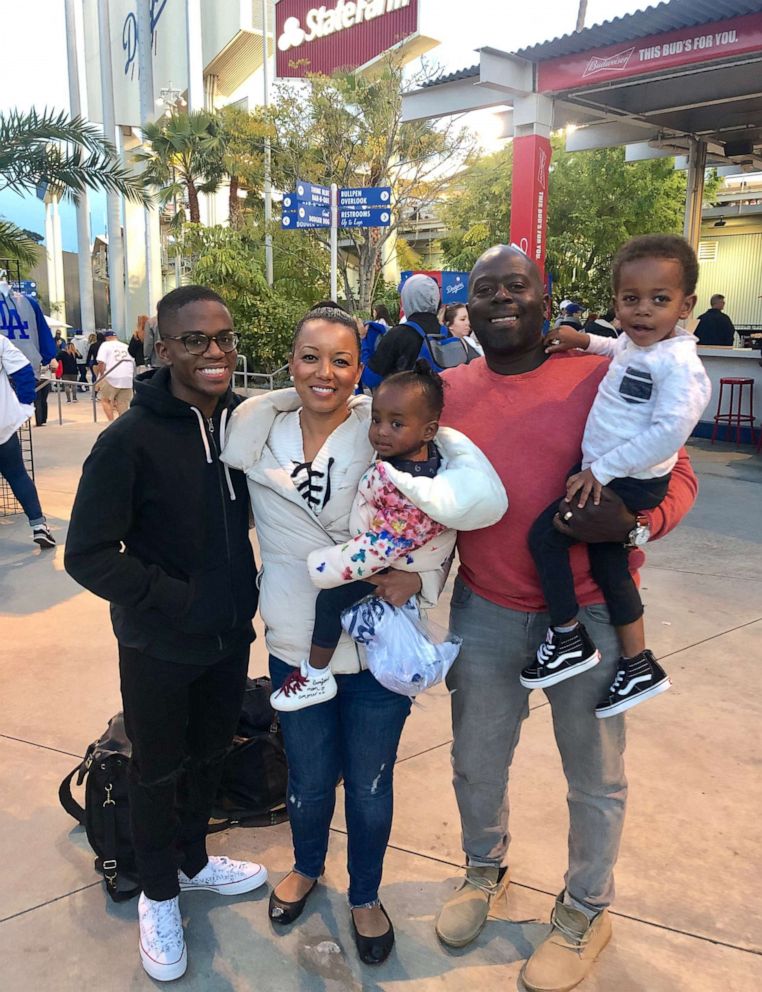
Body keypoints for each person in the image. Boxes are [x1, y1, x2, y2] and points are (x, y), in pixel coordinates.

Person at [435, 244, 698, 992]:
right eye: (485, 290)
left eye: (516, 285)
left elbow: (677, 470)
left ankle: (586, 907)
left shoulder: (606, 369)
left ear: (544, 297)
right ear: (470, 308)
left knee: (595, 776)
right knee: (475, 762)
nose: (501, 299)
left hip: (589, 614)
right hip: (485, 610)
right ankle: (484, 872)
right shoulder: (449, 391)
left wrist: (638, 528)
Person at [221, 306, 448, 965]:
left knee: (372, 782)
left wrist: (421, 576)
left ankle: (367, 893)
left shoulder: (382, 427)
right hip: (297, 633)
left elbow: (445, 508)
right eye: (310, 356)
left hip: (380, 635)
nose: (325, 372)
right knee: (310, 774)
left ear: (361, 369)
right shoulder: (262, 430)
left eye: (341, 359)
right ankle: (306, 865)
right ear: (290, 363)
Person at [64, 285, 266, 983]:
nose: (215, 352)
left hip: (229, 636)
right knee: (157, 770)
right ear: (163, 348)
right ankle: (157, 895)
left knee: (211, 754)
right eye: (195, 340)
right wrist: (172, 599)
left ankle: (193, 862)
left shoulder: (245, 421)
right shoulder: (128, 440)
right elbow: (86, 554)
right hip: (159, 643)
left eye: (225, 338)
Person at [524, 235, 711, 717]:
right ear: (617, 303)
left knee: (546, 539)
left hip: (624, 478)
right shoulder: (637, 343)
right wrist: (581, 339)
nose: (643, 312)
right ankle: (638, 663)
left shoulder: (681, 366)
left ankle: (566, 635)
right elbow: (616, 346)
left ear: (685, 304)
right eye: (631, 300)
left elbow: (669, 434)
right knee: (611, 566)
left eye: (659, 300)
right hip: (612, 474)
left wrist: (599, 471)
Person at [269, 360, 506, 711]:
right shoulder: (414, 461)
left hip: (387, 563)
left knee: (331, 601)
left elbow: (386, 543)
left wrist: (331, 566)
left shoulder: (412, 486)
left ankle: (315, 675)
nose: (381, 431)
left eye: (396, 424)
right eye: (377, 419)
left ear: (428, 431)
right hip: (395, 565)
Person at [0, 336, 55, 547]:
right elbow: (24, 372)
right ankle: (39, 526)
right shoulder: (1, 342)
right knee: (17, 475)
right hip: (3, 426)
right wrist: (24, 405)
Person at [366, 274, 442, 377]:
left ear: (407, 299)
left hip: (409, 392)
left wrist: (364, 343)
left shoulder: (397, 336)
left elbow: (371, 378)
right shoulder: (447, 333)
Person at [96, 330, 135, 420]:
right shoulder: (126, 346)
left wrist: (101, 376)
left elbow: (101, 362)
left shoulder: (105, 345)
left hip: (111, 376)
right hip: (127, 378)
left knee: (106, 400)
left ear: (106, 338)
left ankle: (111, 421)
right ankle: (123, 424)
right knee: (123, 403)